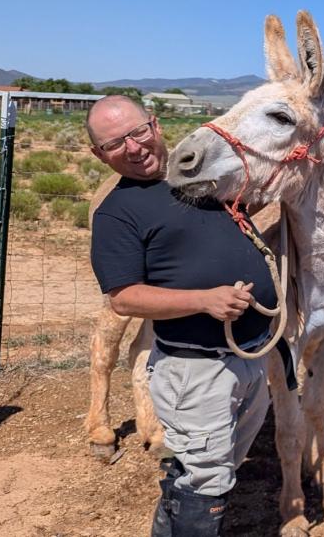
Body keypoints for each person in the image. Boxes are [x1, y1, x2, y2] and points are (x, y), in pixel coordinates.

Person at [86, 95, 276, 536]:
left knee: (199, 470)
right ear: (100, 155)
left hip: (248, 358)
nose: (133, 148)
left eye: (138, 132)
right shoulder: (118, 212)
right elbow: (125, 299)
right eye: (115, 144)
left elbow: (239, 214)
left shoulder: (204, 179)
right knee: (207, 484)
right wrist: (204, 300)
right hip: (197, 369)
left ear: (155, 124)